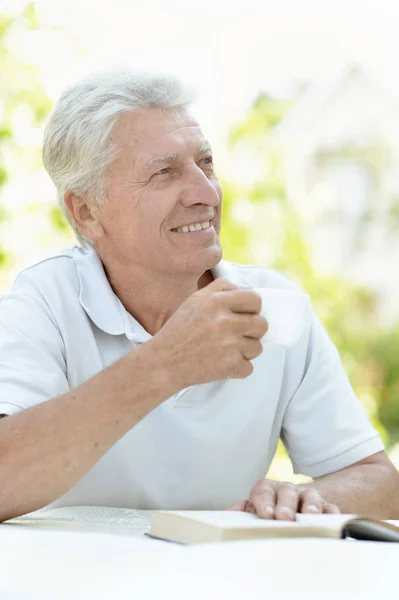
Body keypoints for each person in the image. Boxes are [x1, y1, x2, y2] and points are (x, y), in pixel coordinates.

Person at [0, 67, 398, 524]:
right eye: (164, 172)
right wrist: (165, 364)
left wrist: (306, 500)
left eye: (205, 163)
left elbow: (379, 482)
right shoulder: (42, 304)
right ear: (86, 211)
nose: (206, 192)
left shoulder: (274, 304)